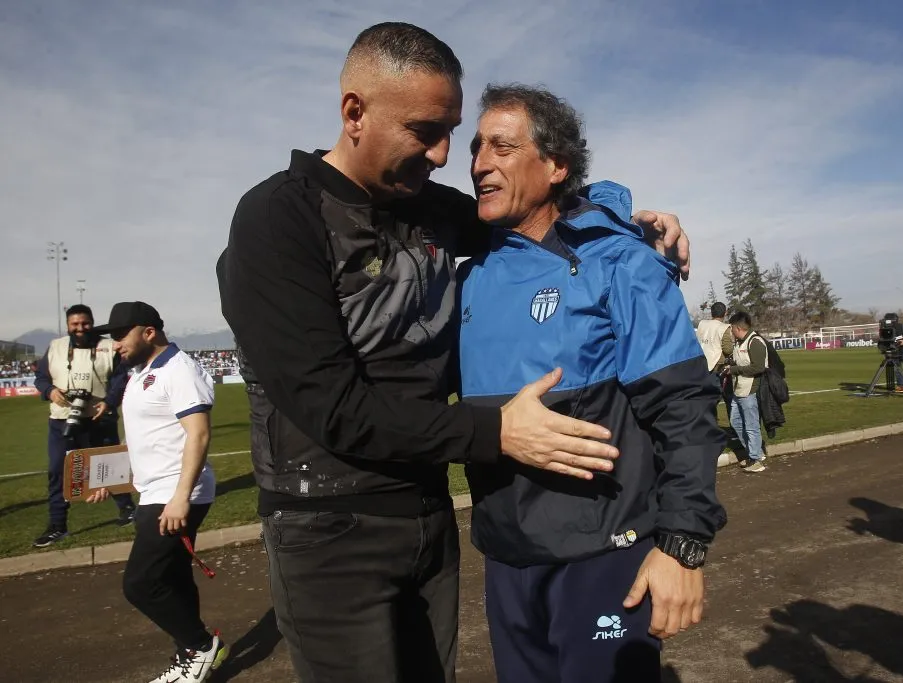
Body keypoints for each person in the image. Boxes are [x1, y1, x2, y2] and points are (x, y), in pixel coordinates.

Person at [215, 22, 691, 683]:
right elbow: (335, 407)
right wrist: (498, 431)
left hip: (428, 520)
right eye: (426, 130)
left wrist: (626, 218)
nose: (446, 157)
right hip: (327, 531)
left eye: (453, 133)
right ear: (354, 112)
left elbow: (538, 208)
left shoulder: (422, 204)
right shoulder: (278, 218)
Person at [457, 84, 726, 682]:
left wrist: (682, 544)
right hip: (506, 559)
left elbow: (683, 406)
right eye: (476, 147)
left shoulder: (620, 263)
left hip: (606, 555)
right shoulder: (468, 277)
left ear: (556, 167)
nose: (479, 163)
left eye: (502, 146)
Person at [87, 301, 228, 683]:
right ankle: (192, 655)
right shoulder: (139, 373)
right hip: (154, 491)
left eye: (120, 335)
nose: (114, 344)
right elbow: (142, 440)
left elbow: (198, 433)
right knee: (173, 577)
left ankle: (200, 647)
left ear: (148, 332)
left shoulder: (179, 369)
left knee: (141, 583)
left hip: (175, 492)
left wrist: (181, 497)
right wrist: (108, 477)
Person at [32, 303, 136, 547]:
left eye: (85, 323)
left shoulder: (108, 347)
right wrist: (50, 391)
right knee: (58, 471)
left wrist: (109, 402)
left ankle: (128, 510)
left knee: (110, 468)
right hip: (61, 419)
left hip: (99, 418)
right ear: (68, 326)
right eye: (75, 325)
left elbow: (121, 379)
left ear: (92, 322)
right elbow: (41, 378)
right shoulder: (55, 347)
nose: (80, 329)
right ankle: (58, 525)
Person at [724, 311, 768, 473]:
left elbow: (758, 367)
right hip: (738, 389)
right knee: (735, 421)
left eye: (731, 329)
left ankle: (756, 459)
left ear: (737, 327)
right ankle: (754, 452)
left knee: (751, 425)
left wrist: (734, 369)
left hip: (750, 390)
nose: (730, 332)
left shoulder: (755, 342)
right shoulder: (739, 343)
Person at [878, 313, 903, 393]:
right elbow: (882, 340)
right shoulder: (883, 329)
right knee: (897, 370)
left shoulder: (901, 326)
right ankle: (900, 386)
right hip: (893, 352)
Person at [697, 302, 734, 374]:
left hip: (701, 364)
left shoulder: (702, 324)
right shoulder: (724, 328)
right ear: (725, 313)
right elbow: (728, 350)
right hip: (717, 367)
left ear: (711, 313)